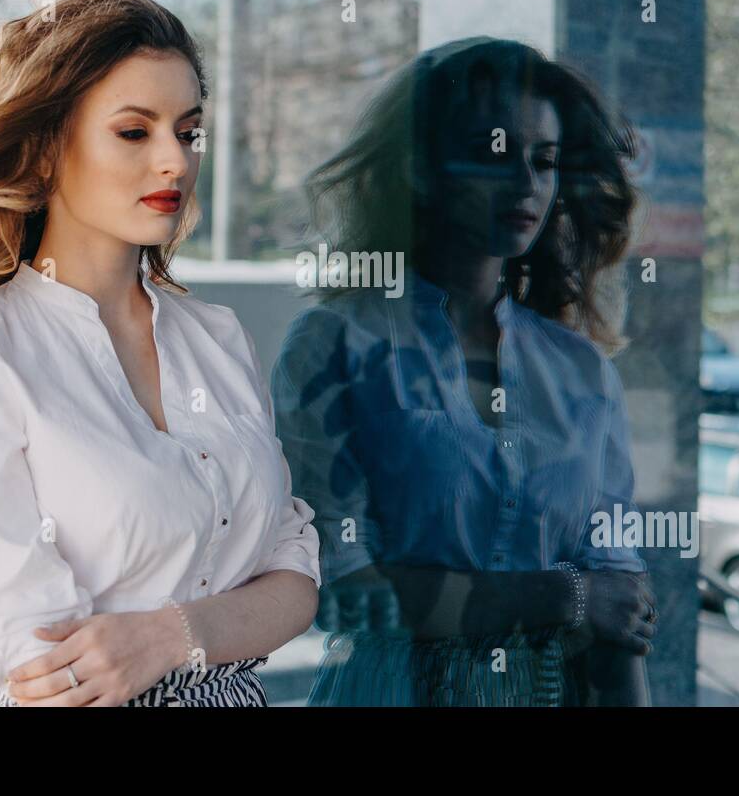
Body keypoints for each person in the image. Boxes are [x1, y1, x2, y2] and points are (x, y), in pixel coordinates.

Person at [0, 0, 320, 707]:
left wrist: (169, 635)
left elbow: (297, 577)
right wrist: (221, 624)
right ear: (48, 148)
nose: (174, 160)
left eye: (189, 130)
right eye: (134, 132)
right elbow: (46, 670)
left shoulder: (217, 337)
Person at [272, 37, 657, 706]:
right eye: (494, 153)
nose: (526, 183)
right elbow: (342, 592)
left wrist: (575, 603)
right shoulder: (335, 343)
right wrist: (557, 595)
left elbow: (619, 608)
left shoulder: (581, 371)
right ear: (420, 169)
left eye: (544, 160)